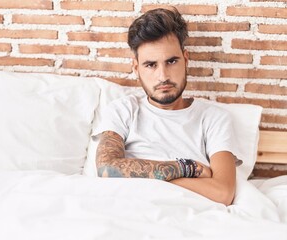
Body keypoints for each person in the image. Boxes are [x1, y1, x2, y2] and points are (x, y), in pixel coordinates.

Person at [94, 7, 241, 206]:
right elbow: (106, 169)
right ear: (136, 68)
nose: (163, 76)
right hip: (129, 208)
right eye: (151, 65)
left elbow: (223, 193)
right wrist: (188, 168)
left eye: (171, 61)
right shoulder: (123, 110)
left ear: (186, 60)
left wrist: (150, 175)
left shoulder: (214, 118)